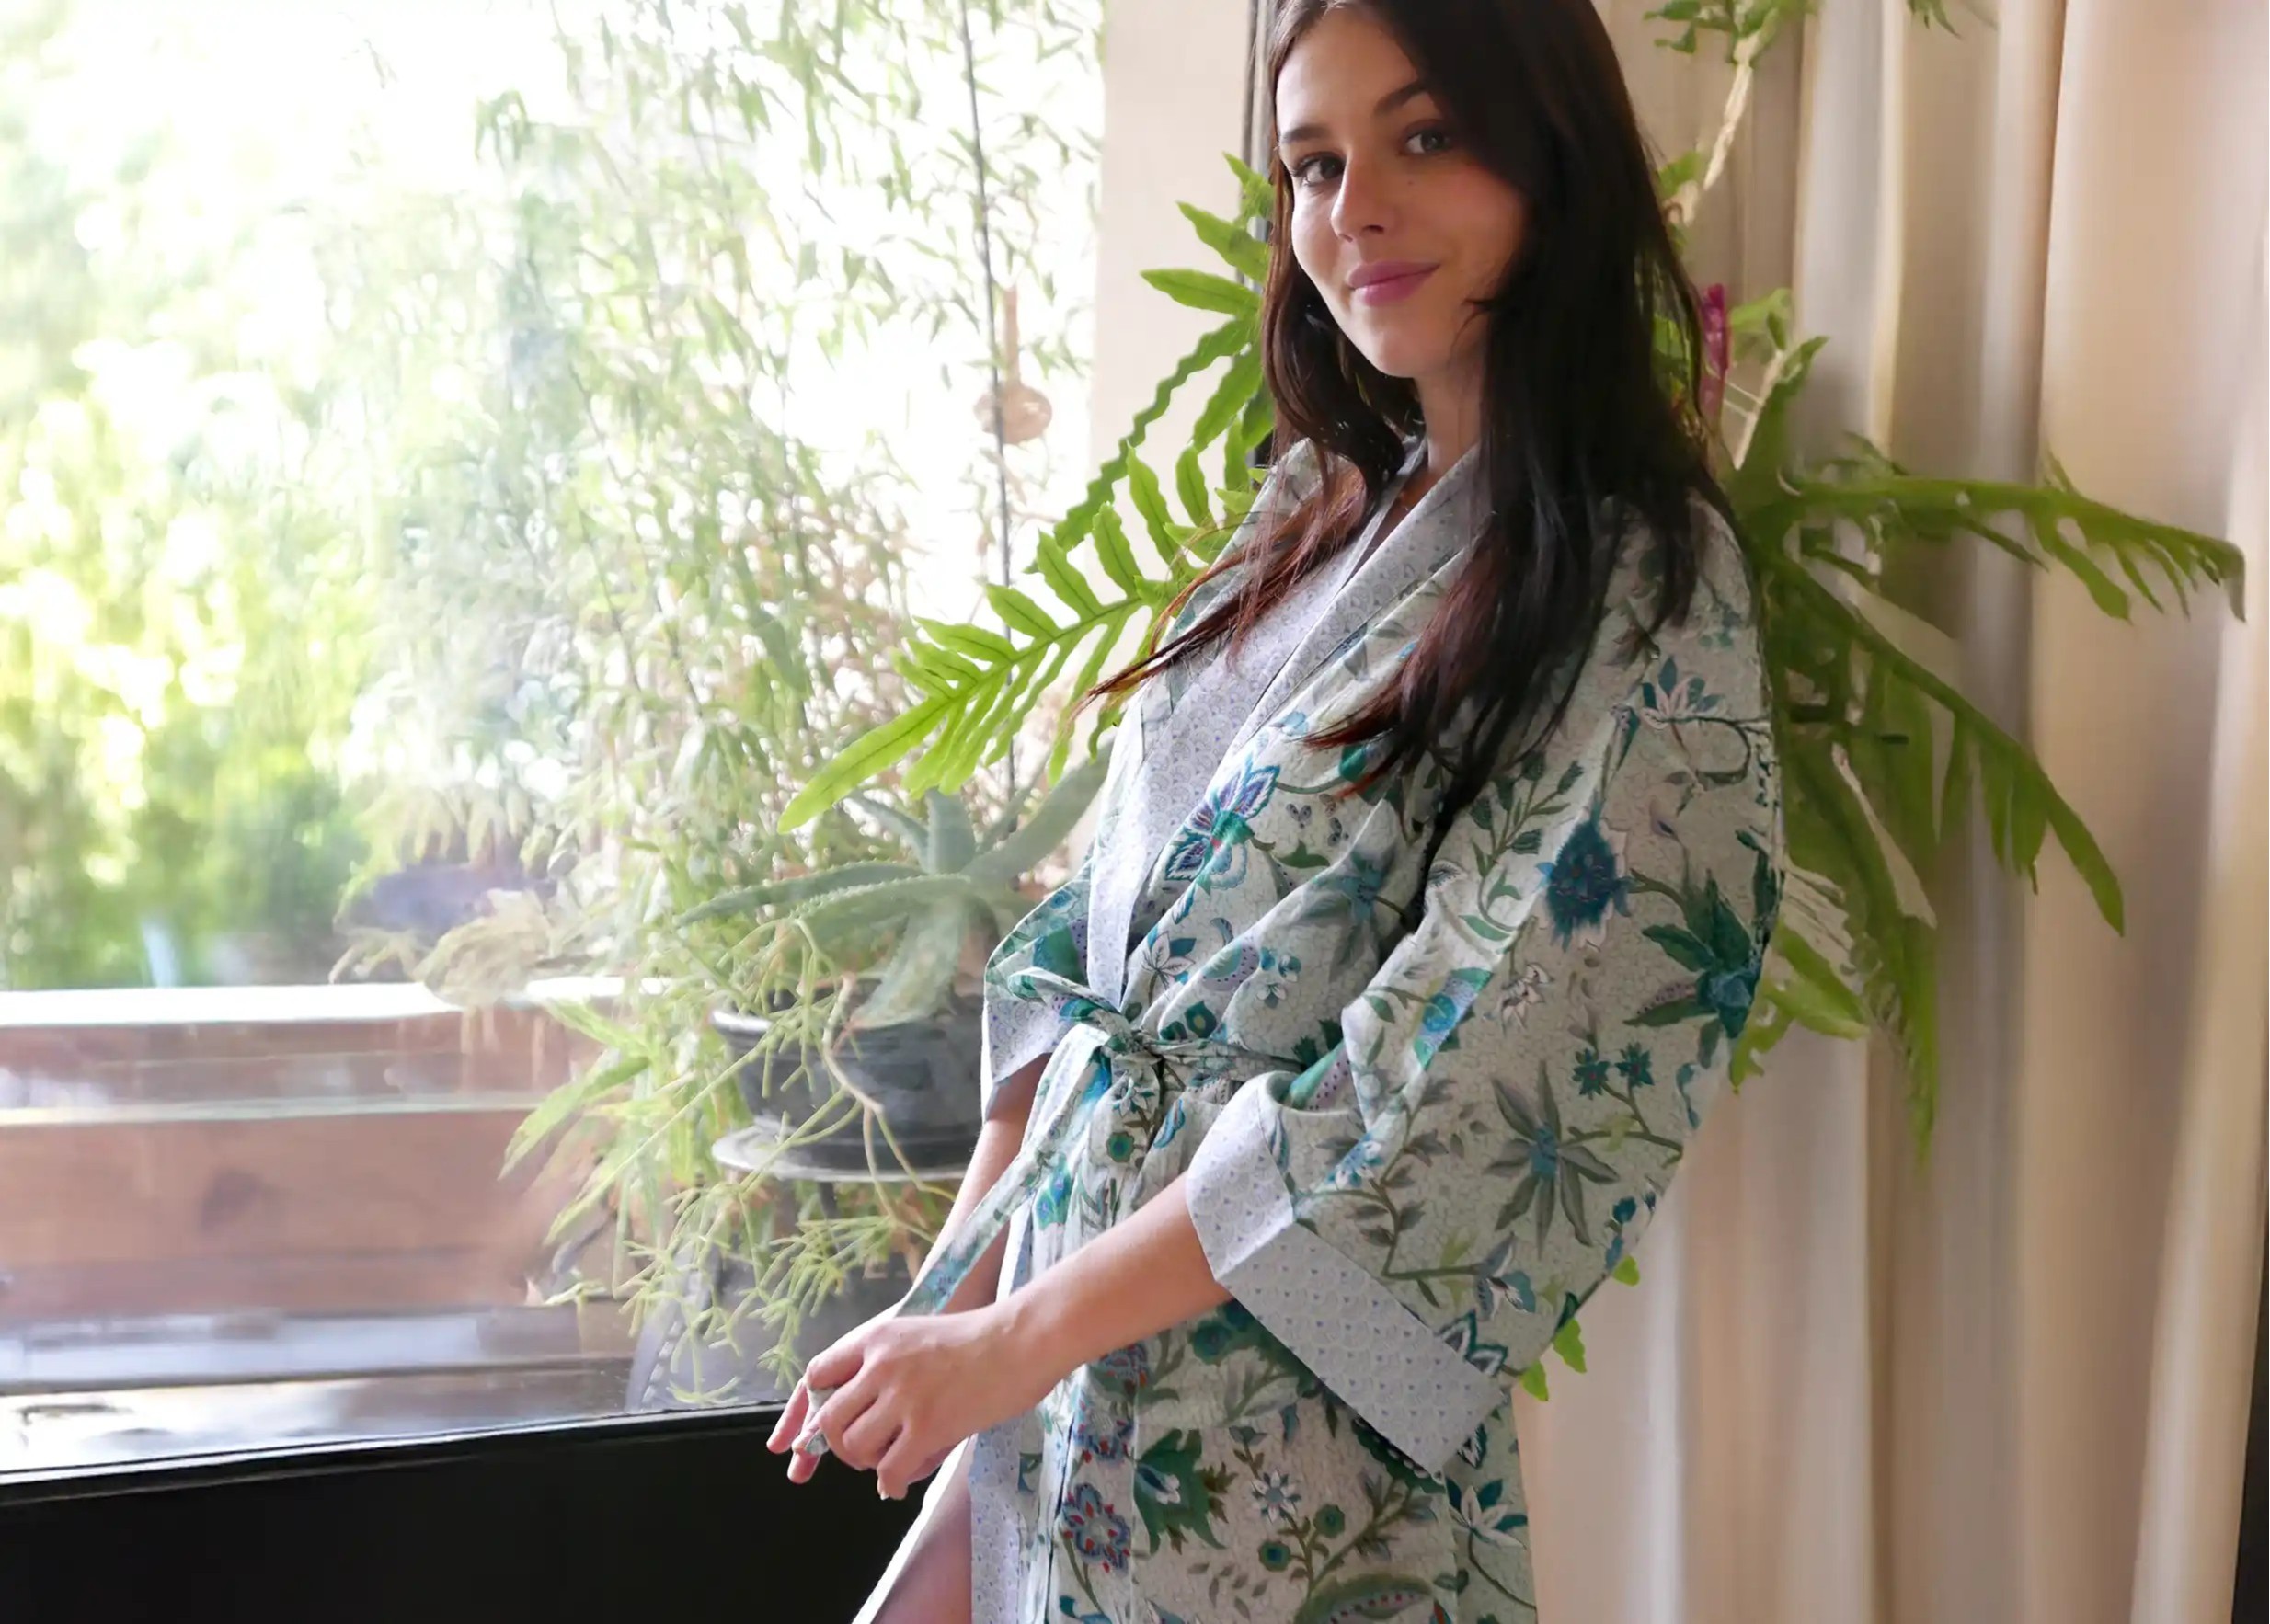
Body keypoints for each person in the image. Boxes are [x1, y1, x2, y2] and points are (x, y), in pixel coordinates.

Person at [767, 2, 1783, 1618]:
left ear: (1554, 159)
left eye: (1424, 136)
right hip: (1062, 1397)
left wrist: (1006, 1340)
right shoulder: (1299, 526)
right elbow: (1086, 960)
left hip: (1285, 1469)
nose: (1352, 208)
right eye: (1313, 162)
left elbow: (1441, 1084)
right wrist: (964, 1320)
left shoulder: (1639, 583)